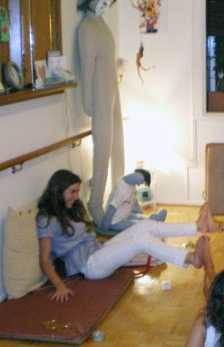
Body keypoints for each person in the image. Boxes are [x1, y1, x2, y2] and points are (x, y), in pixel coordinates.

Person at [36, 170, 210, 303]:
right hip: (89, 266)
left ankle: (196, 226)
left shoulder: (69, 209)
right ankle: (190, 258)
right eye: (72, 192)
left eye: (77, 192)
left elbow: (84, 236)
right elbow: (44, 260)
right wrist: (59, 286)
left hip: (98, 251)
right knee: (139, 240)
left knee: (145, 225)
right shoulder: (47, 220)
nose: (76, 196)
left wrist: (103, 242)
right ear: (57, 190)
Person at [78, 0, 125, 226]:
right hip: (100, 98)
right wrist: (87, 102)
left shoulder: (103, 26)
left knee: (117, 147)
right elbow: (86, 69)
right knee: (102, 152)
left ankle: (119, 199)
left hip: (112, 93)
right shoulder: (87, 28)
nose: (107, 5)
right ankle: (95, 203)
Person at [100, 169, 167, 231]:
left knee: (142, 218)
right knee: (139, 225)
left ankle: (155, 219)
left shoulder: (132, 186)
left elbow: (133, 201)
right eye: (141, 182)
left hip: (126, 216)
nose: (139, 184)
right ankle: (153, 225)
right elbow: (111, 208)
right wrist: (105, 226)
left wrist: (139, 212)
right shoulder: (121, 189)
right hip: (116, 222)